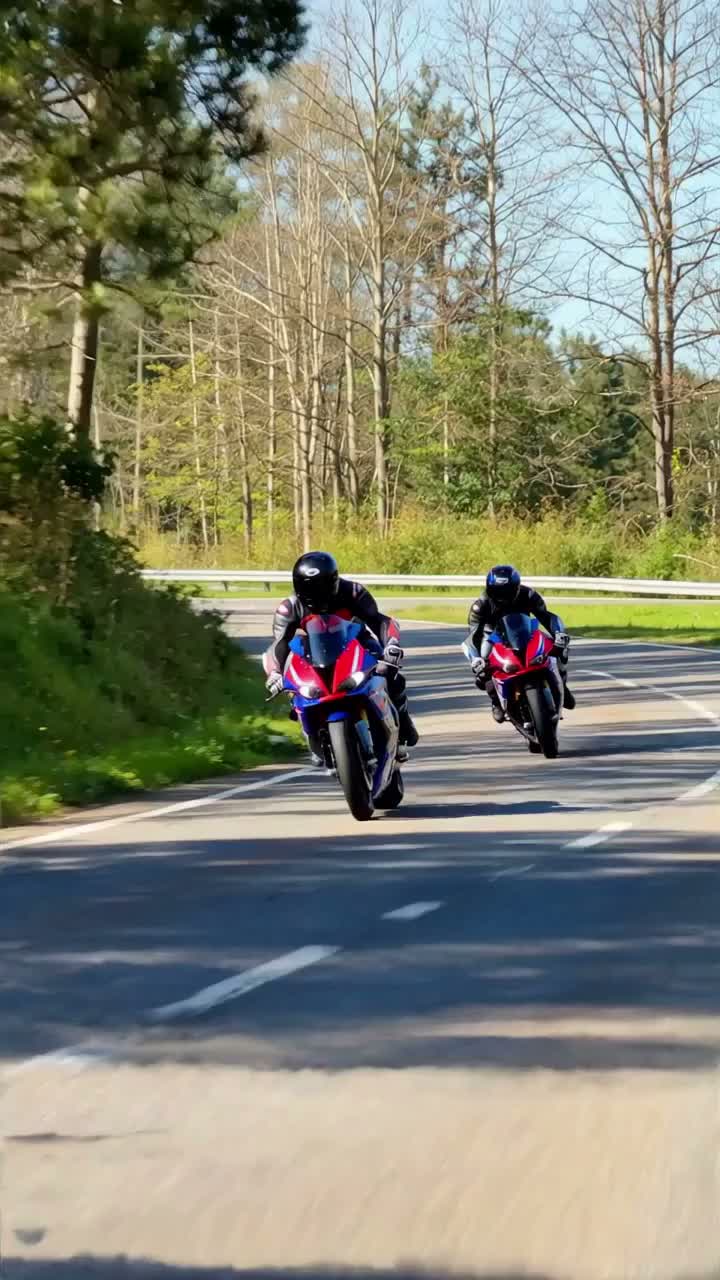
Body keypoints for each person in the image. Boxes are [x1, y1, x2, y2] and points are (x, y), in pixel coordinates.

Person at [264, 551, 419, 764]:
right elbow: (279, 644)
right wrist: (274, 673)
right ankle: (313, 735)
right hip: (313, 652)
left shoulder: (353, 592)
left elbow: (380, 621)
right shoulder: (288, 608)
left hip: (359, 643)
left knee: (391, 675)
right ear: (298, 587)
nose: (318, 595)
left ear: (334, 581)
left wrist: (391, 645)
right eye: (311, 589)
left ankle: (403, 730)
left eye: (323, 587)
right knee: (295, 690)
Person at [464, 564, 575, 723]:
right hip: (494, 636)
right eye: (497, 592)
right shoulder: (480, 606)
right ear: (489, 589)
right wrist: (476, 659)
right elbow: (473, 635)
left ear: (516, 587)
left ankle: (562, 684)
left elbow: (546, 617)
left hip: (526, 630)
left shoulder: (529, 595)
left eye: (507, 591)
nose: (502, 597)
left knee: (559, 648)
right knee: (482, 667)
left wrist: (558, 634)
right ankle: (496, 701)